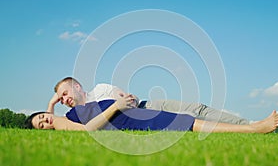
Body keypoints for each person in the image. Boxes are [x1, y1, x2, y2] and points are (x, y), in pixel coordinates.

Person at [25, 94, 278, 133]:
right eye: (40, 125)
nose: (44, 121)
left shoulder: (59, 116)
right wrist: (116, 106)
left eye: (41, 117)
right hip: (124, 116)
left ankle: (252, 126)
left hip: (128, 110)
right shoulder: (63, 125)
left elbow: (49, 116)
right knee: (190, 123)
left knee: (191, 119)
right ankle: (253, 128)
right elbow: (89, 129)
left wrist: (50, 105)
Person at [47, 77, 250, 125]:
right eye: (61, 99)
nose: (64, 100)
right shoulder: (76, 116)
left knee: (197, 109)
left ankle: (245, 125)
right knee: (189, 121)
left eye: (64, 94)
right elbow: (52, 124)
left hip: (148, 107)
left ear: (76, 86)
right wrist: (51, 104)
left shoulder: (100, 89)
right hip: (143, 122)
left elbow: (127, 98)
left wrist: (131, 99)